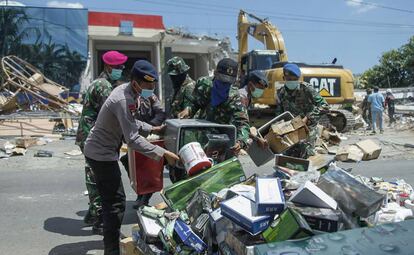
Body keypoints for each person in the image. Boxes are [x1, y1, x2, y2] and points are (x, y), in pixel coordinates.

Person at [84, 60, 179, 255]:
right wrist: (163, 154)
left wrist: (152, 128)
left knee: (111, 200)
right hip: (101, 154)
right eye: (148, 86)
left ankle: (110, 242)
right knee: (116, 203)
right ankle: (111, 250)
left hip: (104, 151)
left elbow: (131, 121)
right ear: (136, 83)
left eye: (153, 86)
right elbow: (133, 139)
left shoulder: (130, 94)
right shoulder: (123, 98)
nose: (151, 90)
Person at [75, 50, 127, 234]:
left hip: (90, 135)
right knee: (97, 176)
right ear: (108, 66)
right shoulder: (104, 86)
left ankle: (93, 214)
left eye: (122, 66)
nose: (121, 69)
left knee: (95, 174)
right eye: (118, 67)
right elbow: (114, 114)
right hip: (92, 137)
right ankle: (100, 219)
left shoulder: (104, 83)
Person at [178, 58, 250, 155]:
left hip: (222, 140)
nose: (225, 84)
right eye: (222, 80)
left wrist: (240, 142)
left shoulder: (234, 98)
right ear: (215, 73)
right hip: (200, 135)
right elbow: (195, 103)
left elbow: (242, 123)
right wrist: (188, 110)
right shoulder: (203, 85)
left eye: (228, 82)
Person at [119, 89, 166, 209]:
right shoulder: (128, 98)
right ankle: (141, 191)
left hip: (151, 136)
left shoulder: (150, 96)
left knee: (148, 164)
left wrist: (151, 127)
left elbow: (161, 113)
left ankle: (146, 194)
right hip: (135, 136)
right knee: (127, 161)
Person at [275, 63, 329, 158]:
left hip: (308, 128)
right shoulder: (281, 93)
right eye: (289, 79)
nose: (292, 81)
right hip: (290, 129)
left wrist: (308, 118)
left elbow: (325, 106)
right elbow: (279, 114)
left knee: (306, 155)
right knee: (288, 157)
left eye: (295, 79)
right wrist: (278, 130)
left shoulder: (306, 89)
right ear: (284, 78)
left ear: (299, 78)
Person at [165, 56, 196, 182]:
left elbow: (189, 112)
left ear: (183, 73)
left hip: (185, 138)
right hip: (175, 135)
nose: (172, 78)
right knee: (174, 172)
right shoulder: (178, 88)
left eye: (175, 76)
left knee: (182, 175)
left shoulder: (189, 87)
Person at [239, 70, 270, 149]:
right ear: (250, 84)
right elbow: (241, 124)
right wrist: (257, 139)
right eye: (260, 88)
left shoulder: (248, 96)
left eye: (263, 89)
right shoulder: (242, 97)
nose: (261, 91)